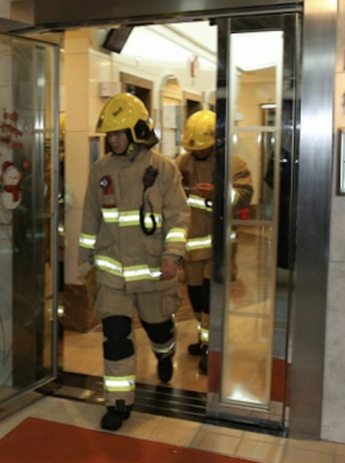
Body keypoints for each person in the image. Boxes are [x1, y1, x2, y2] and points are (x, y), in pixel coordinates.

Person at [78, 92, 189, 431]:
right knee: (115, 338)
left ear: (137, 132)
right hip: (113, 275)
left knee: (157, 326)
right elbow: (90, 219)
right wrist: (84, 261)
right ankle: (119, 402)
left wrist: (172, 256)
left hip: (154, 271)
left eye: (118, 133)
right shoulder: (100, 171)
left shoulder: (163, 169)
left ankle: (165, 351)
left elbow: (178, 217)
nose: (111, 140)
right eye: (108, 134)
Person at [176, 109, 253, 374]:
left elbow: (244, 196)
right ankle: (204, 339)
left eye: (202, 148)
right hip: (192, 245)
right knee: (196, 297)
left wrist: (219, 193)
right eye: (193, 148)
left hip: (218, 245)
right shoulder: (182, 163)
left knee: (212, 297)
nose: (197, 153)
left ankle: (214, 346)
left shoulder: (234, 165)